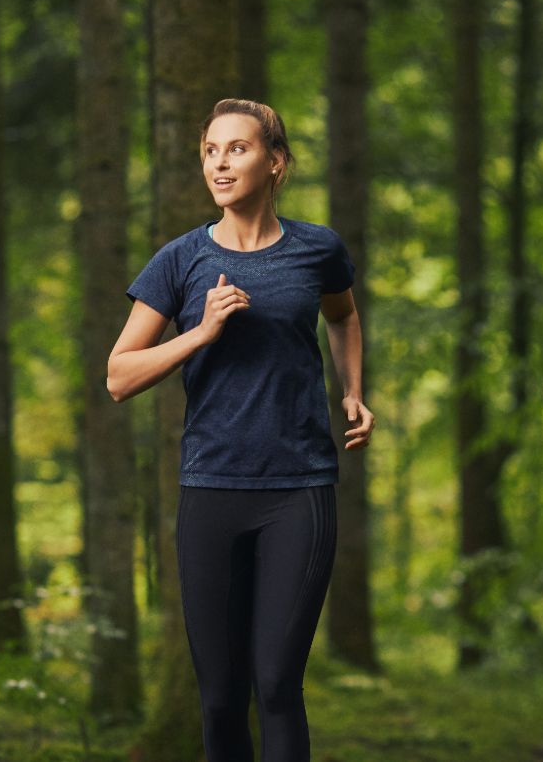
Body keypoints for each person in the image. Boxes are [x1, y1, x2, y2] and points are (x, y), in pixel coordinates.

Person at [106, 98, 374, 761]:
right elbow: (119, 375)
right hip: (211, 491)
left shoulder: (318, 249)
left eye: (237, 149)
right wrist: (199, 333)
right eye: (209, 151)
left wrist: (354, 391)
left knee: (278, 683)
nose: (219, 164)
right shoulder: (180, 261)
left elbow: (342, 315)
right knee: (221, 694)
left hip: (299, 489)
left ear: (275, 163)